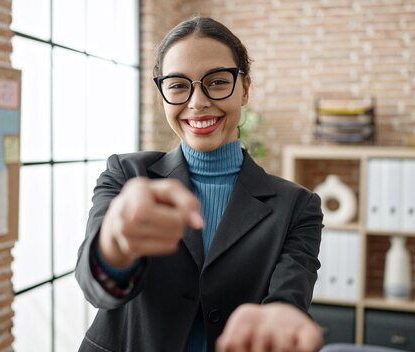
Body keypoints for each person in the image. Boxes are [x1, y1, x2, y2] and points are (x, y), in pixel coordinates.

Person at [75, 16, 323, 352]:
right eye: (178, 85)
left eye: (217, 82)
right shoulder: (125, 175)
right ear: (162, 94)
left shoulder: (297, 206)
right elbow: (96, 290)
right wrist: (114, 246)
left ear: (245, 87)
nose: (197, 102)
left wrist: (279, 319)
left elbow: (288, 298)